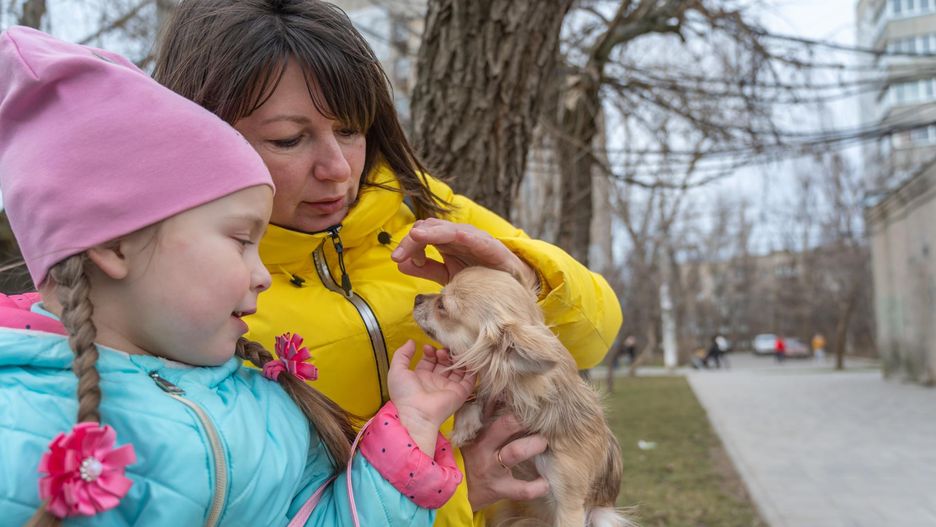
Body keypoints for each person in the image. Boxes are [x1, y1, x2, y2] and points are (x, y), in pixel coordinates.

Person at [153, 1, 623, 524]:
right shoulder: (192, 296)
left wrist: (523, 279)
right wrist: (461, 488)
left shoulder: (423, 209)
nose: (337, 169)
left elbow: (596, 333)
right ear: (205, 136)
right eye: (289, 138)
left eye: (351, 130)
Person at [0, 27, 474, 526]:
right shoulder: (18, 428)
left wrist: (415, 426)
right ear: (113, 244)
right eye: (242, 240)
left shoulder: (267, 405)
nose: (263, 274)